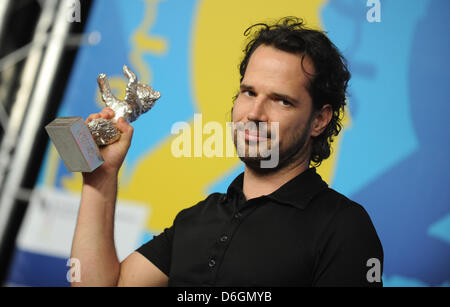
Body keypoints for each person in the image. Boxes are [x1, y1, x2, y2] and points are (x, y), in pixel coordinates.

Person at [70, 17, 383, 287]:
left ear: (319, 119)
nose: (255, 113)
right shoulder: (196, 219)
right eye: (249, 92)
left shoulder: (344, 228)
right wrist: (101, 178)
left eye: (281, 100)